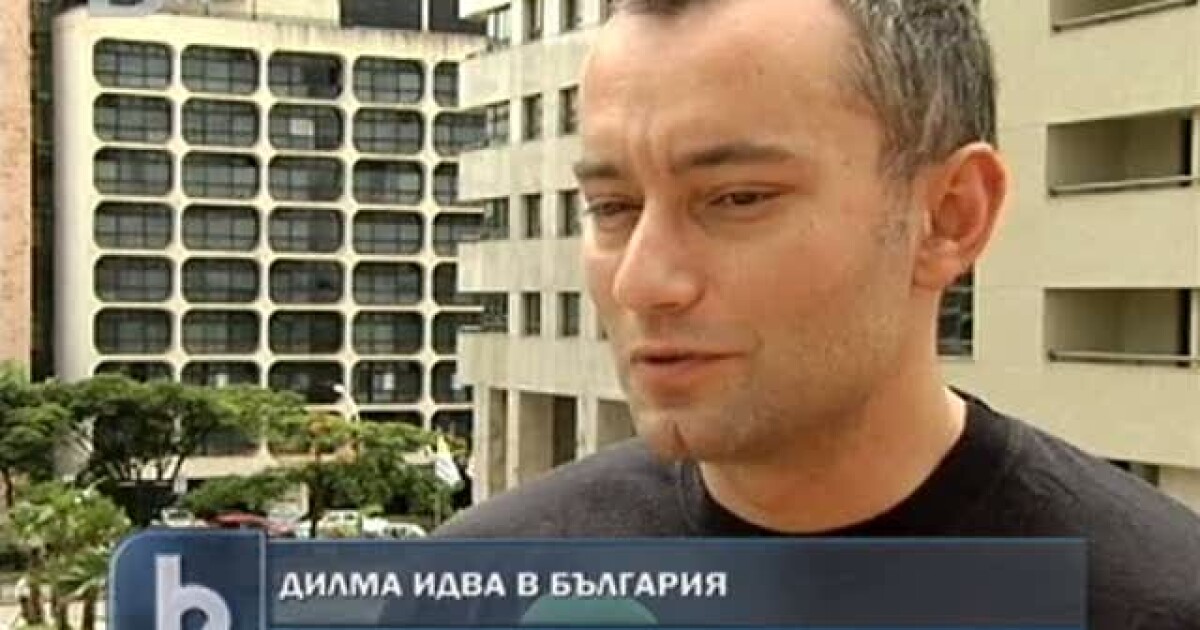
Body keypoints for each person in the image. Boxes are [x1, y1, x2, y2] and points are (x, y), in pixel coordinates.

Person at [434, 0, 1200, 626]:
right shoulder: (473, 588)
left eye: (738, 198)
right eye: (612, 207)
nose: (641, 281)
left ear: (950, 216)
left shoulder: (1153, 601)